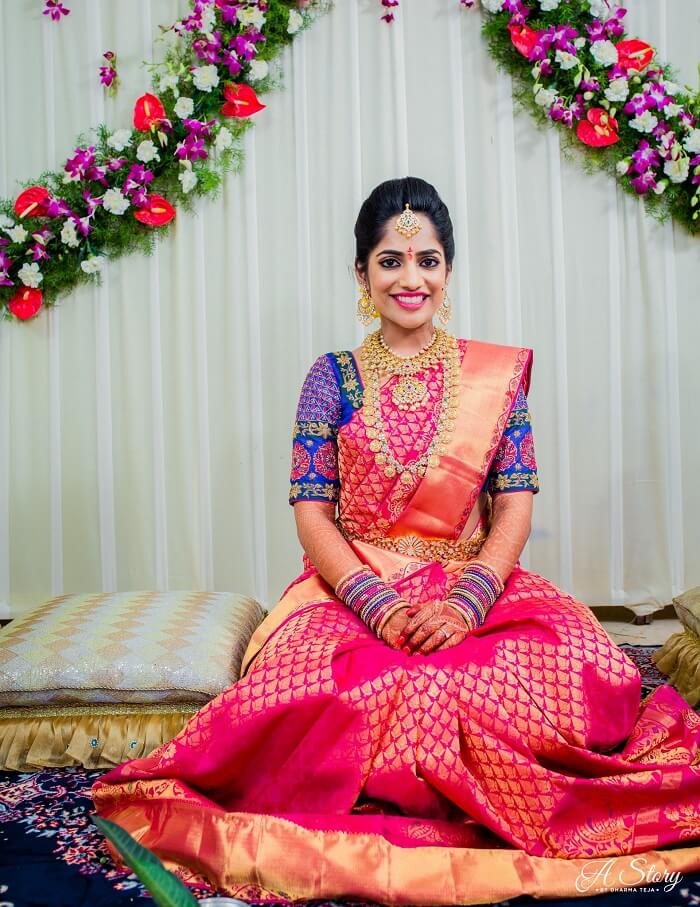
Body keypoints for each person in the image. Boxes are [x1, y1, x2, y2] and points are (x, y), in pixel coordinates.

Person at [92, 178, 700, 905]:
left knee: (551, 680)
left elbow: (514, 509)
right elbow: (313, 515)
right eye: (390, 260)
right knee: (335, 694)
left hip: (475, 587)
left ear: (448, 271)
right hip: (348, 588)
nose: (410, 279)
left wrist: (469, 602)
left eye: (428, 260)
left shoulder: (493, 378)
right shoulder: (331, 379)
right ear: (361, 273)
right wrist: (378, 606)